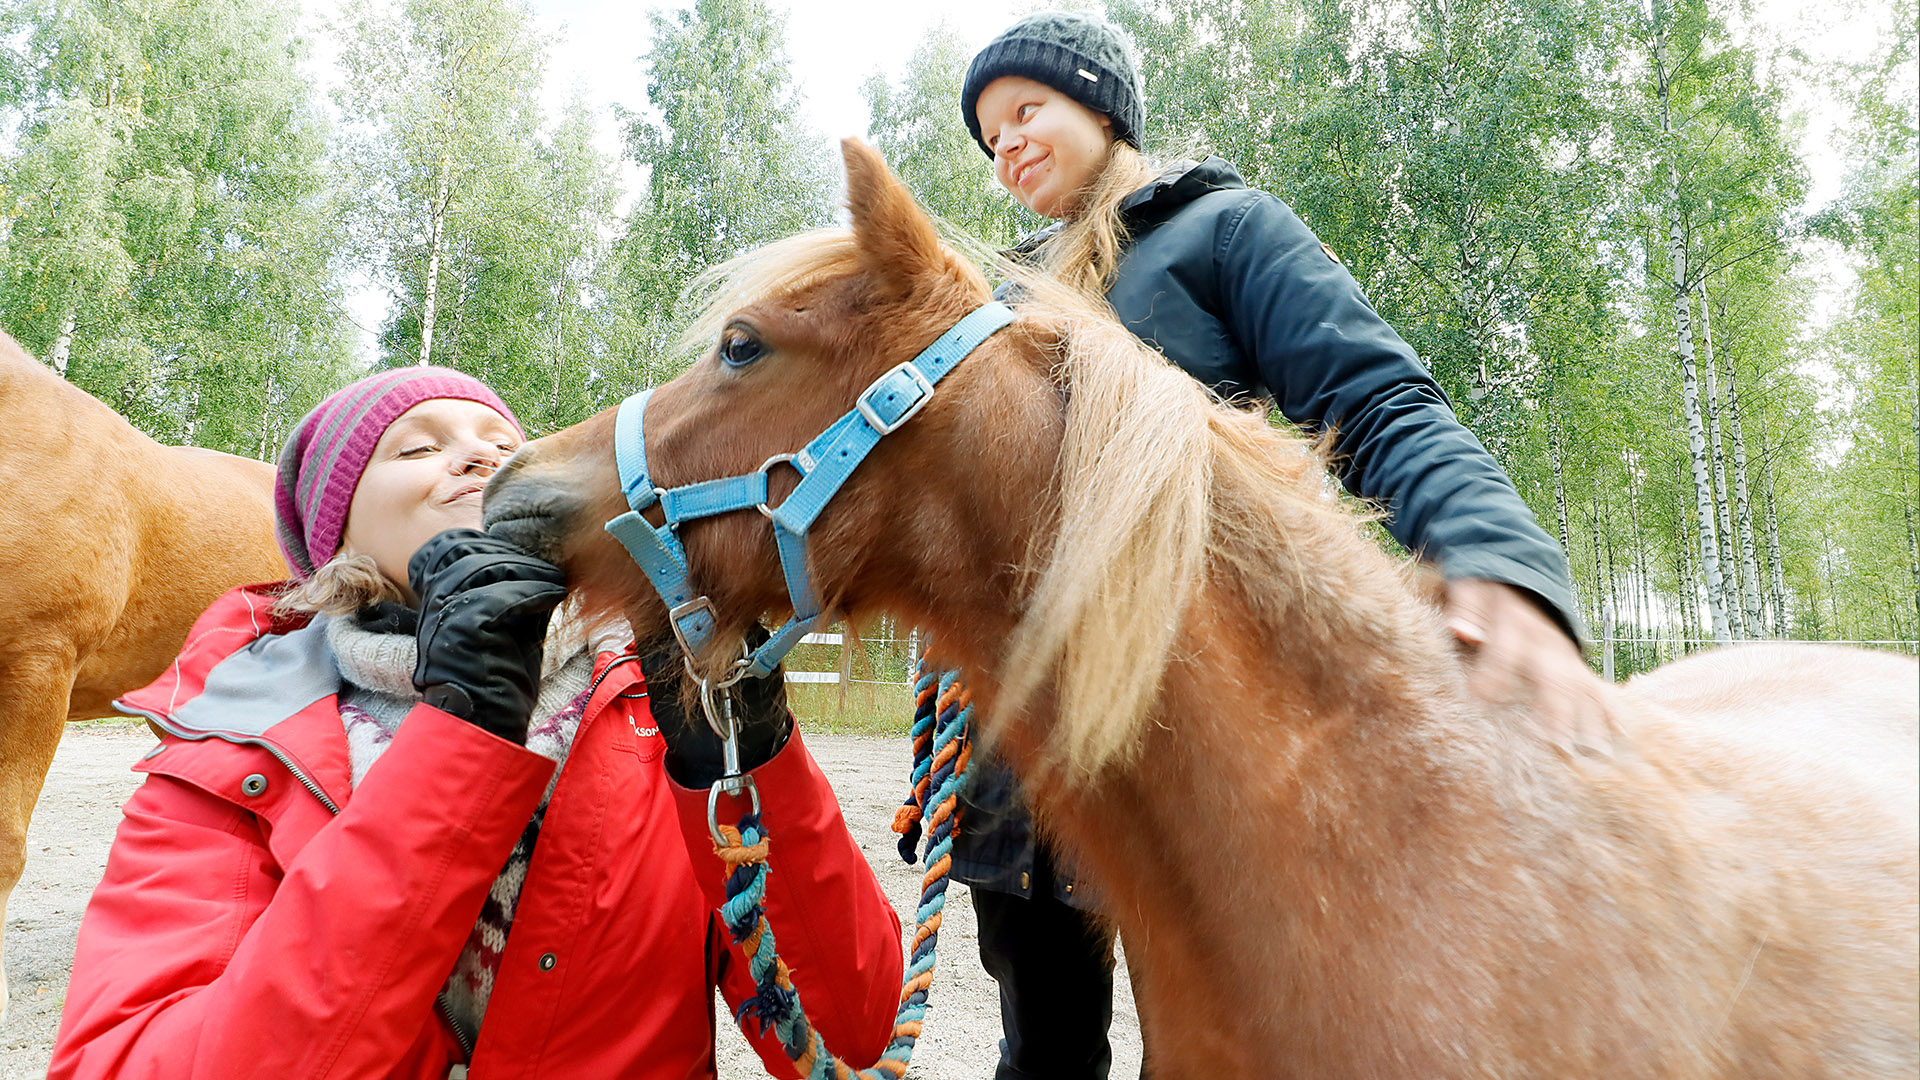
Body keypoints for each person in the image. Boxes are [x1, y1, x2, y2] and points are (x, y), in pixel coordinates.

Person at [950, 12, 1609, 1080]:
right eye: (988, 138)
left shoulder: (1225, 232)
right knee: (1040, 1051)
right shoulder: (1000, 308)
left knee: (1210, 1048)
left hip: (1190, 719)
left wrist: (1496, 557)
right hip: (1025, 747)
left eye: (1027, 111)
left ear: (1101, 109)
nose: (1006, 146)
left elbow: (1378, 399)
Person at [48, 366, 903, 1079]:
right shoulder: (233, 740)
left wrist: (755, 759)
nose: (479, 457)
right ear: (334, 527)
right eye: (418, 447)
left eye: (504, 445)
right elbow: (127, 1060)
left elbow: (846, 1039)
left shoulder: (661, 702)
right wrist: (461, 745)